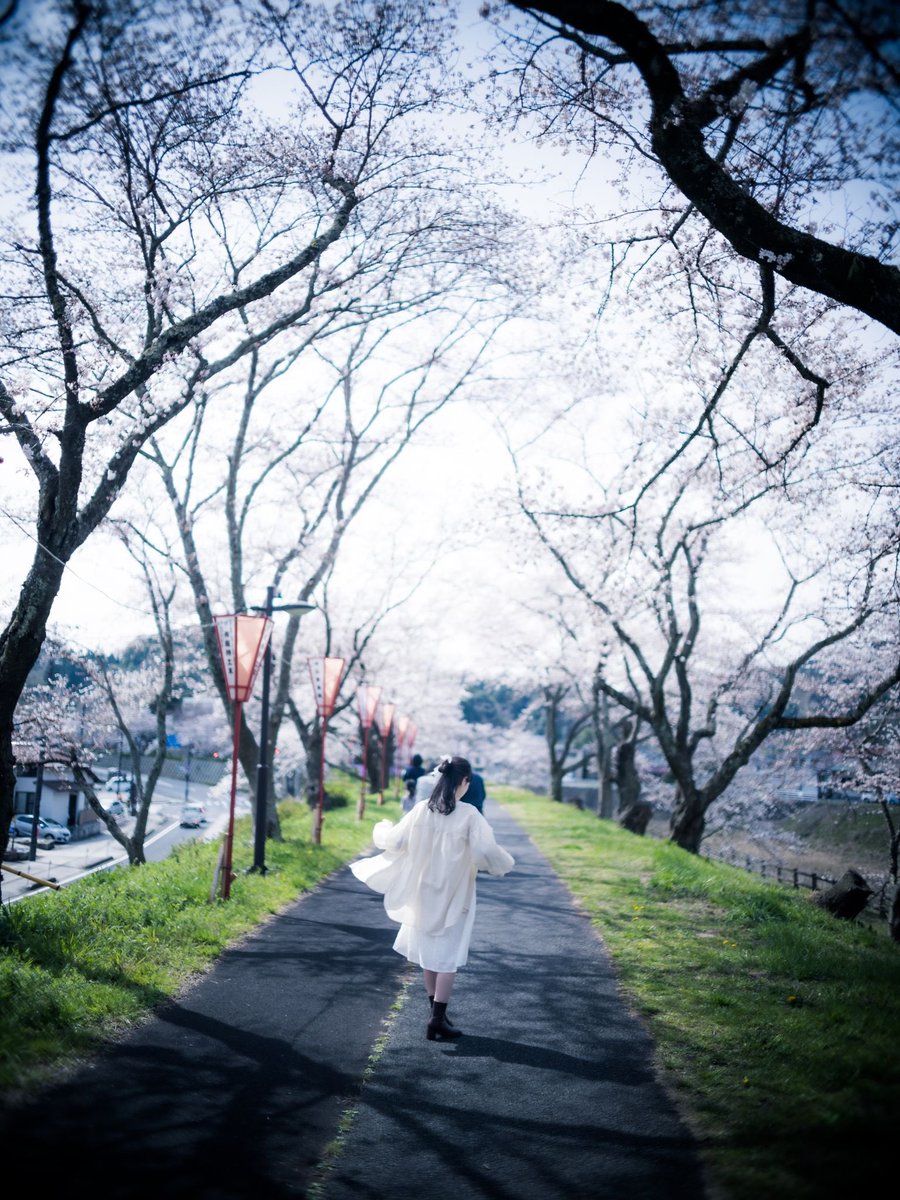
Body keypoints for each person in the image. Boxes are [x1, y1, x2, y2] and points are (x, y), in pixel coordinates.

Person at [349, 755, 515, 1041]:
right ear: (464, 781)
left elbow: (395, 841)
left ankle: (436, 1014)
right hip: (455, 891)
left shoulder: (421, 810)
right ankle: (437, 1020)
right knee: (448, 956)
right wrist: (504, 864)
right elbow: (484, 853)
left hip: (422, 889)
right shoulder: (470, 815)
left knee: (428, 951)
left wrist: (383, 827)